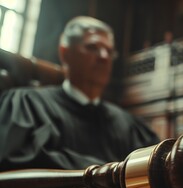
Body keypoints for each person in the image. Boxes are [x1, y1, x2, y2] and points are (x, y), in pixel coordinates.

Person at [0, 16, 159, 171]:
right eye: (92, 47)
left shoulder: (129, 125)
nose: (104, 57)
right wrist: (106, 172)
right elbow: (13, 158)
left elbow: (156, 168)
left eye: (109, 51)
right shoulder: (27, 104)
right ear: (65, 53)